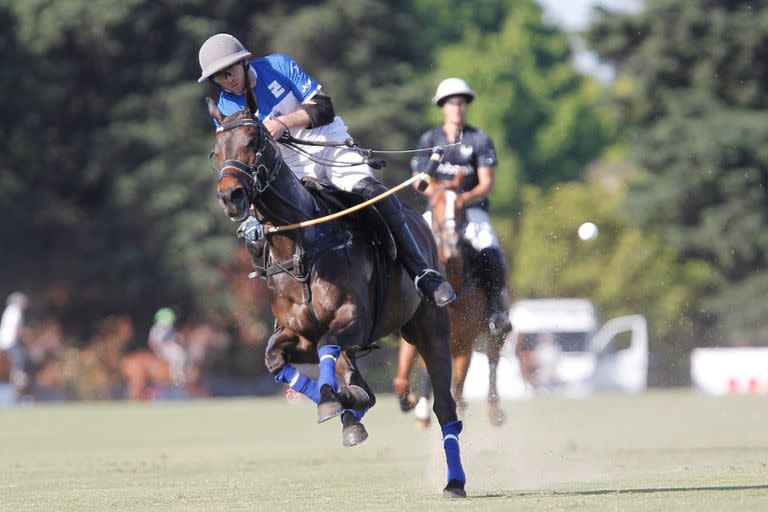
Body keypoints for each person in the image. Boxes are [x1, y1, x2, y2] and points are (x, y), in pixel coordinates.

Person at [197, 33, 455, 307]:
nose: (228, 80)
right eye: (220, 78)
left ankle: (423, 274)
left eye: (230, 71)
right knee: (263, 233)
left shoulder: (277, 67)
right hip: (287, 168)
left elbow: (324, 107)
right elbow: (239, 159)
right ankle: (288, 310)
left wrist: (283, 122)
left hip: (326, 144)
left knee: (375, 194)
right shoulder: (225, 107)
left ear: (244, 62)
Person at [411, 77, 513, 337]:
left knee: (491, 251)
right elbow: (420, 182)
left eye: (461, 103)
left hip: (472, 211)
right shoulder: (430, 139)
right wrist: (444, 196)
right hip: (438, 210)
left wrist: (460, 199)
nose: (457, 108)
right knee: (411, 247)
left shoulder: (479, 139)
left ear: (466, 107)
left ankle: (495, 312)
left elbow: (486, 182)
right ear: (442, 107)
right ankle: (407, 308)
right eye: (451, 103)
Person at [0, 292, 29, 404]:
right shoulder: (15, 311)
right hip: (11, 344)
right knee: (19, 369)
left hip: (4, 344)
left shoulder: (8, 311)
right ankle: (21, 397)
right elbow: (17, 331)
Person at [147, 308, 186, 386]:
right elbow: (154, 341)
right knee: (180, 355)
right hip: (163, 349)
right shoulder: (160, 328)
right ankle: (176, 375)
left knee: (179, 352)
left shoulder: (161, 329)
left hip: (163, 348)